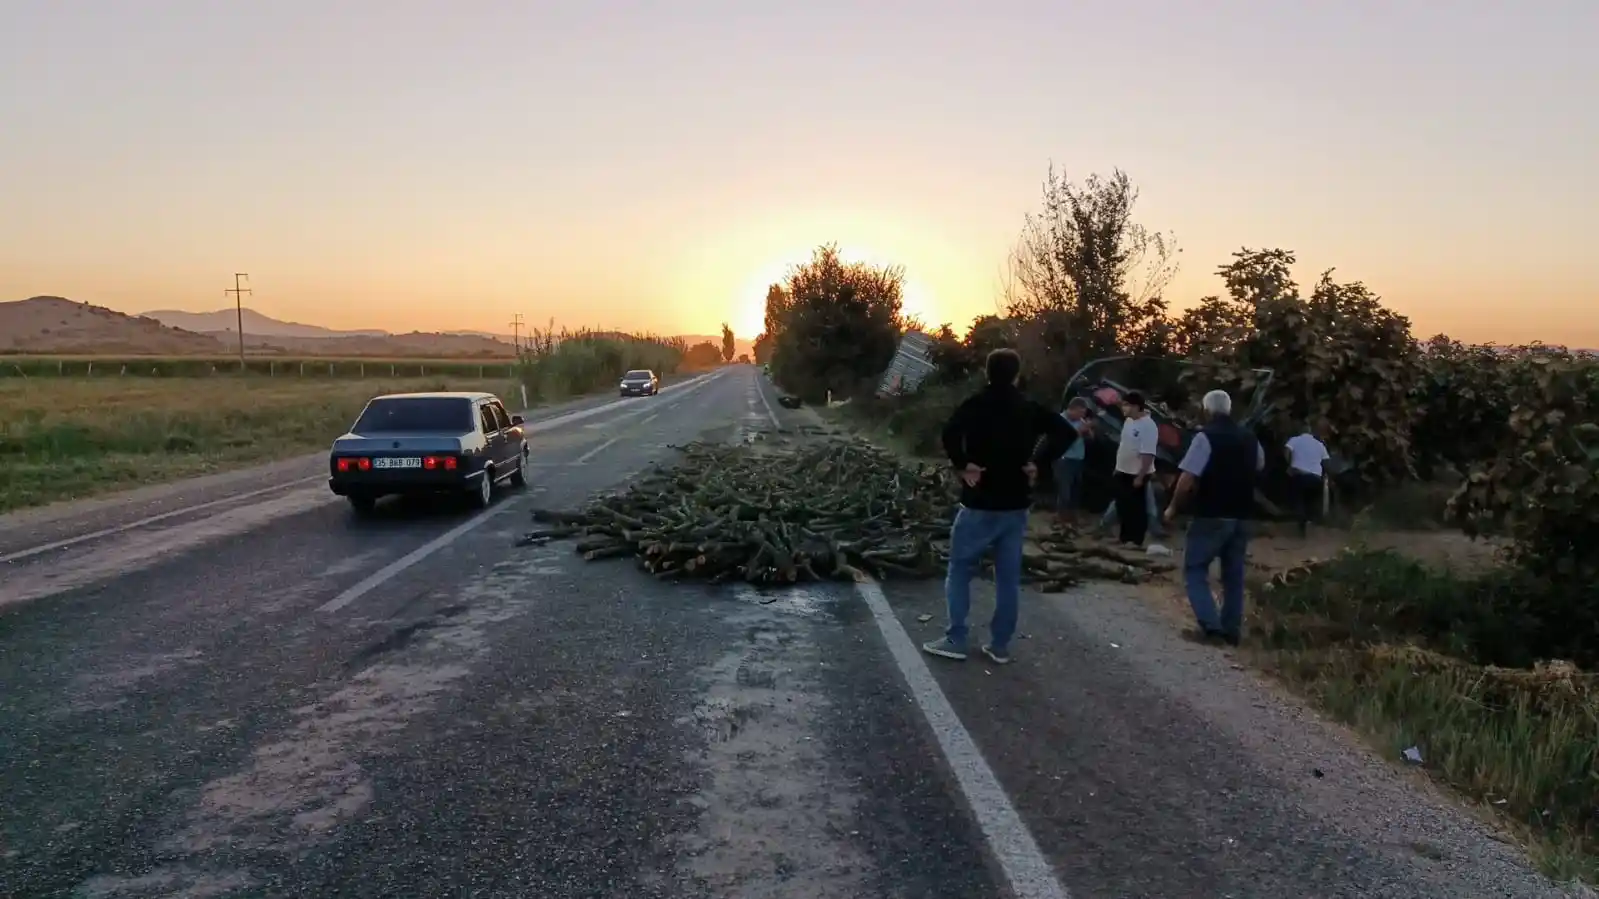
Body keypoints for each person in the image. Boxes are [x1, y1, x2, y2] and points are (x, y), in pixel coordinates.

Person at [923, 348, 1075, 665]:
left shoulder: (976, 404)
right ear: (1017, 374)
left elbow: (950, 432)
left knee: (960, 569)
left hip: (979, 501)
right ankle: (999, 645)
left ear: (986, 372)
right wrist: (1039, 462)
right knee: (1008, 578)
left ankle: (956, 638)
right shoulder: (1028, 407)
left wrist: (965, 465)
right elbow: (1066, 431)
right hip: (1016, 504)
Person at [1162, 389, 1265, 646]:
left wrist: (1173, 507)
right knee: (1233, 575)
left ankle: (1211, 628)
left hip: (1212, 513)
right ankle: (1231, 631)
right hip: (1242, 515)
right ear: (1229, 410)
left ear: (1206, 410)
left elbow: (1187, 478)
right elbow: (1259, 466)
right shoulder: (1250, 438)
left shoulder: (1205, 437)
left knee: (1195, 569)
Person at [1112, 391, 1159, 547]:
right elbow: (1124, 446)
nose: (1123, 408)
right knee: (1122, 505)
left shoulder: (1148, 426)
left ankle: (1136, 539)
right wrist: (1118, 467)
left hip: (1137, 473)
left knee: (1136, 507)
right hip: (1123, 470)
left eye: (1126, 405)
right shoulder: (1128, 422)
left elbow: (1148, 453)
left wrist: (1140, 476)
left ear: (1136, 406)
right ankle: (1124, 536)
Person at [1053, 398, 1094, 525]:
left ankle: (1072, 517)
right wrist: (1080, 430)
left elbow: (1090, 438)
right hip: (1064, 459)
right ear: (1073, 409)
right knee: (1065, 490)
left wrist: (1088, 431)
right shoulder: (1060, 420)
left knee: (1076, 489)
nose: (1082, 416)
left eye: (1084, 413)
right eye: (1081, 412)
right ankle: (1061, 517)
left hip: (1078, 459)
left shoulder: (1080, 421)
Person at [1284, 425, 1330, 536]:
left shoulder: (1294, 440)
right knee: (1310, 501)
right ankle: (1309, 523)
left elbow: (1286, 451)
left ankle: (1301, 524)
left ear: (1300, 431)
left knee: (1299, 500)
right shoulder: (1319, 444)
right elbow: (1326, 462)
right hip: (1315, 477)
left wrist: (1289, 465)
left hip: (1299, 475)